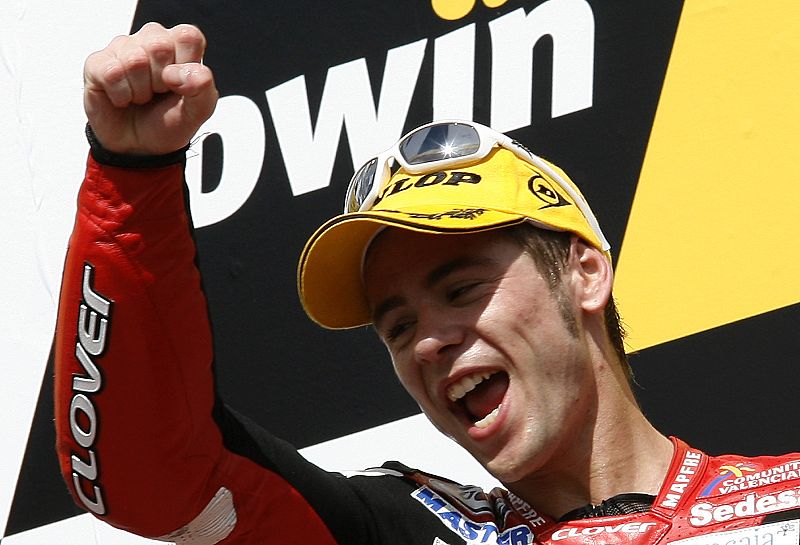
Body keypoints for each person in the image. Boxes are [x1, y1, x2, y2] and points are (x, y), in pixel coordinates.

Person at [55, 22, 800, 545]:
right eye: (399, 326)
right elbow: (154, 473)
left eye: (461, 288)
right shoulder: (414, 532)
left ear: (584, 272)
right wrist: (132, 179)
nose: (430, 343)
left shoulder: (784, 503)